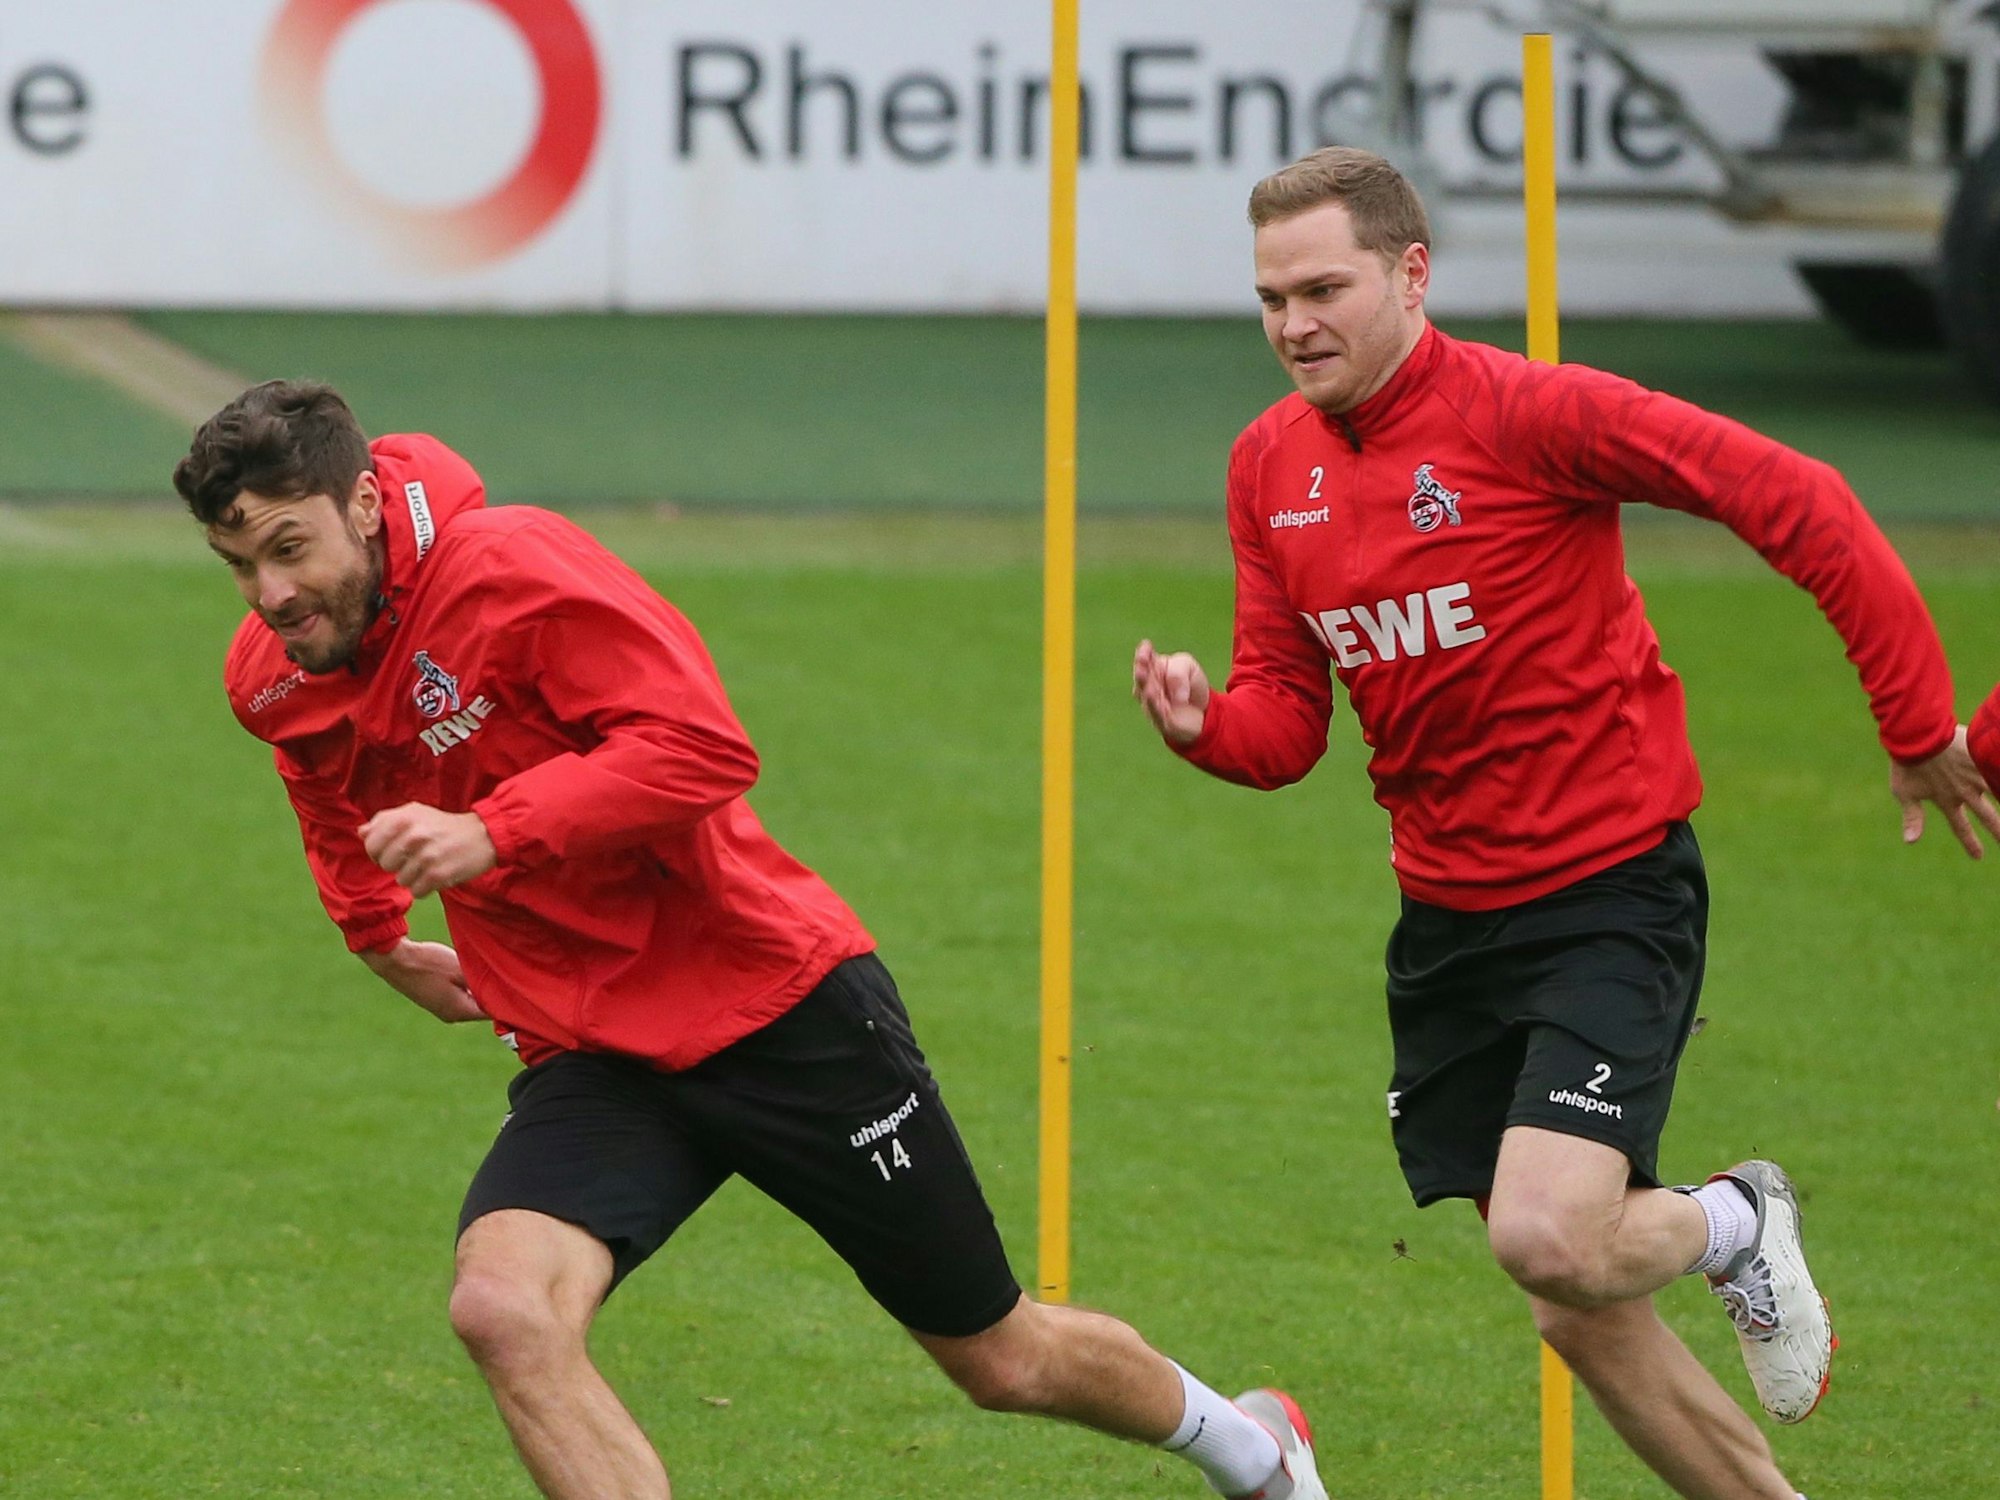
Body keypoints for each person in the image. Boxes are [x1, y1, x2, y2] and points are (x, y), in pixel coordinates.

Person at [176, 380, 1329, 1500]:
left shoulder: (512, 567)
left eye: (289, 548)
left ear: (367, 505)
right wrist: (377, 934)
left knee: (998, 1358)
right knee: (503, 1309)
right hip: (594, 1052)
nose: (270, 594)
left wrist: (494, 831)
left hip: (775, 1007)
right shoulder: (275, 672)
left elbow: (701, 750)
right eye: (240, 566)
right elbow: (319, 772)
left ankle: (1253, 1452)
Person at [1131, 146, 2000, 1500]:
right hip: (1445, 924)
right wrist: (1206, 729)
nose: (1292, 324)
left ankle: (1732, 1217)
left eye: (1321, 287)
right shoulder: (1268, 469)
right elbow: (1288, 725)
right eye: (1268, 297)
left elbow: (1800, 502)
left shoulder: (1531, 416)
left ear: (1413, 273)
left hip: (1609, 892)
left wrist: (1913, 723)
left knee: (1547, 1238)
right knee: (1577, 1307)